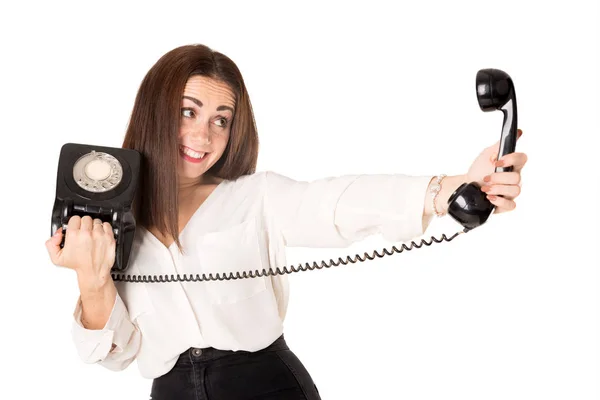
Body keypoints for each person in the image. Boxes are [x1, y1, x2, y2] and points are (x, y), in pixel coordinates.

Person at [45, 44, 528, 400]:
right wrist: (92, 279)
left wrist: (450, 188)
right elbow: (116, 355)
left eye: (221, 119)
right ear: (155, 111)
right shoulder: (116, 220)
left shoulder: (254, 198)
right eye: (187, 111)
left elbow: (336, 203)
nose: (202, 133)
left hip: (264, 387)